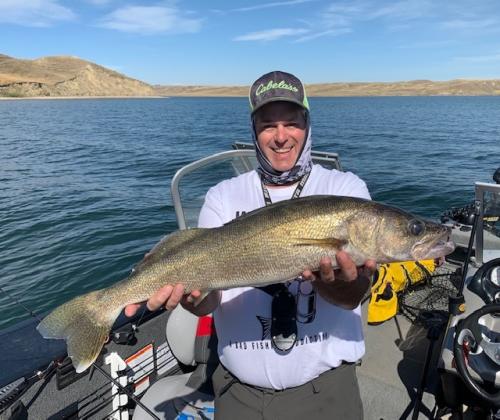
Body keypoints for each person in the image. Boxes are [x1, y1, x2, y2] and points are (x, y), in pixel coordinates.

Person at [126, 70, 376, 419]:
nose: (280, 136)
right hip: (237, 394)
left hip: (327, 391)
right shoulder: (222, 196)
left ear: (307, 125)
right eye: (267, 125)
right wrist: (192, 298)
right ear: (254, 131)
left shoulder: (346, 190)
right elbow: (208, 301)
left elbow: (355, 295)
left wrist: (338, 281)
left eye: (291, 122)